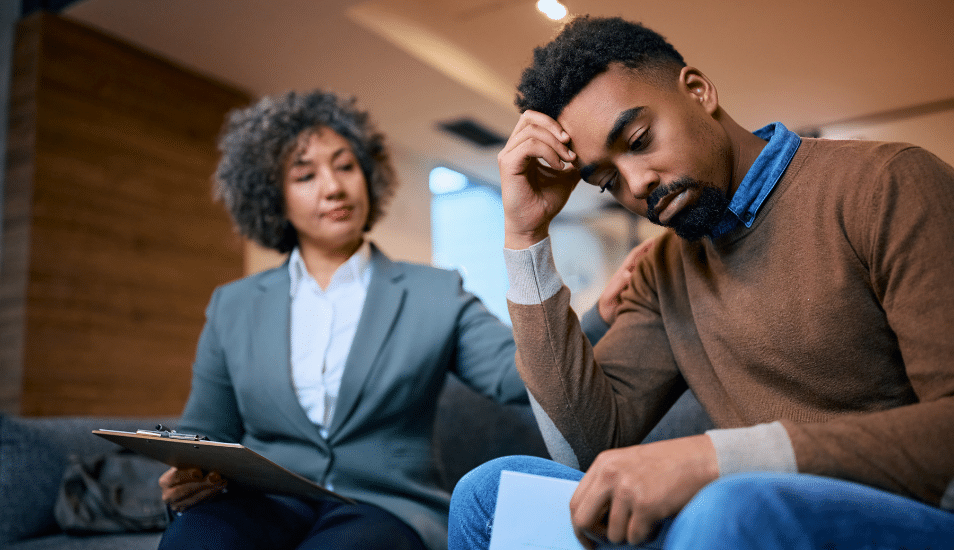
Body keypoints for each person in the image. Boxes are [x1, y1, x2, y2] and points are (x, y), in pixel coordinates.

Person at [448, 15, 954, 550]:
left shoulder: (889, 183)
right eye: (608, 181)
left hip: (906, 514)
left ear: (698, 90)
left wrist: (717, 459)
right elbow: (582, 453)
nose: (638, 184)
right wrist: (526, 237)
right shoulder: (662, 268)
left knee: (731, 505)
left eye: (640, 140)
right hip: (736, 520)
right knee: (491, 494)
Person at [155, 89, 632, 550]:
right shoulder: (233, 305)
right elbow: (207, 430)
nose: (334, 187)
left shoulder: (435, 291)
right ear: (273, 198)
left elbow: (513, 375)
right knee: (194, 539)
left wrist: (597, 317)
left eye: (346, 167)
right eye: (305, 176)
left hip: (386, 509)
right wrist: (191, 473)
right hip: (262, 503)